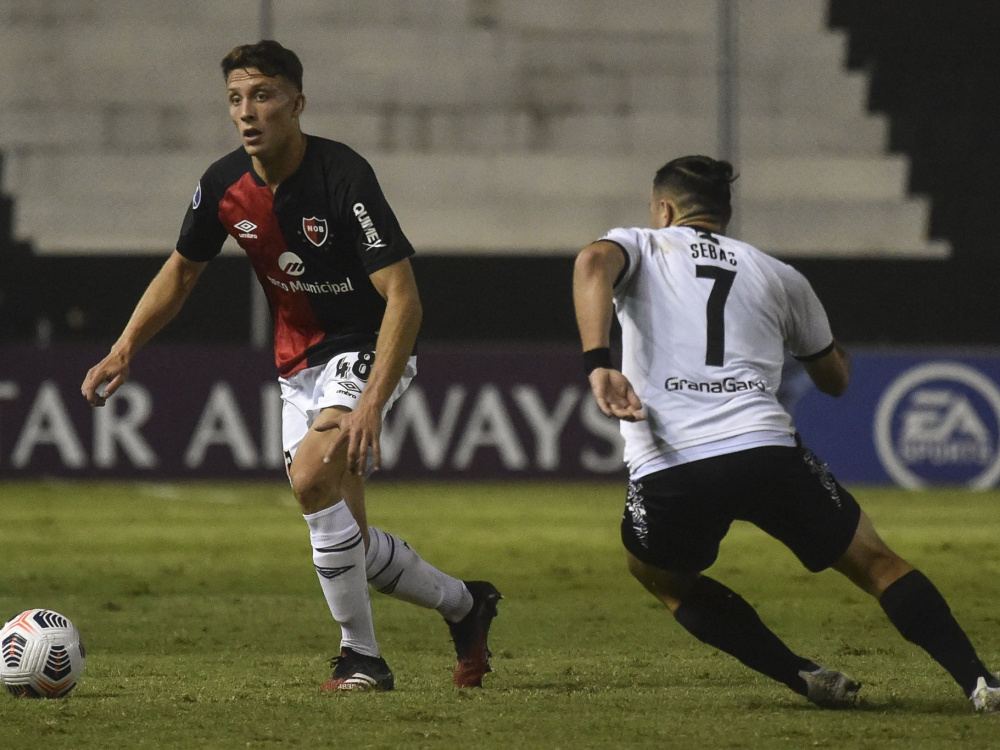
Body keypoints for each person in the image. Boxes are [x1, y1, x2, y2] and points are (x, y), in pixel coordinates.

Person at [80, 40, 501, 692]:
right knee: (346, 536)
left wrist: (368, 404)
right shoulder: (223, 185)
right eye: (236, 99)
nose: (248, 112)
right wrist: (126, 345)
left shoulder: (343, 176)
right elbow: (183, 271)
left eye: (264, 95)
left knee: (310, 479)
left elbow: (405, 298)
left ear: (297, 103)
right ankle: (466, 607)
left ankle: (361, 658)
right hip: (296, 361)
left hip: (364, 341)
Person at [572, 154, 999, 712]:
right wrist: (814, 339)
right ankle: (981, 682)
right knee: (878, 563)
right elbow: (835, 378)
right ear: (723, 214)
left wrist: (598, 362)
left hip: (674, 463)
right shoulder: (778, 275)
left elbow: (590, 264)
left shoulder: (642, 246)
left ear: (665, 209)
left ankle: (799, 674)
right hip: (766, 449)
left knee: (661, 576)